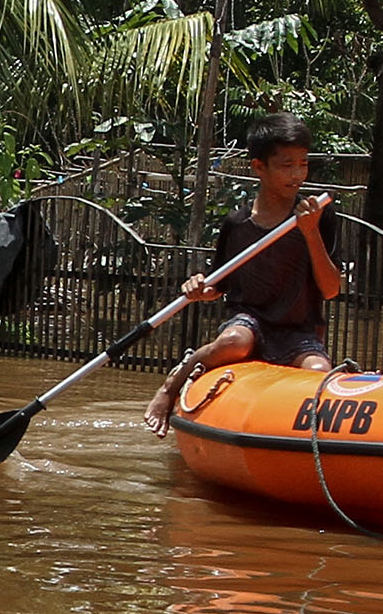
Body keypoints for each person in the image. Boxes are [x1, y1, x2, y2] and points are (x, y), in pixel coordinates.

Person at [147, 121, 346, 435]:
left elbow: (331, 289)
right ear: (259, 167)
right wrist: (199, 287)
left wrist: (310, 234)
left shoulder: (318, 217)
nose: (297, 174)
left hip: (298, 330)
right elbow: (219, 285)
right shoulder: (237, 224)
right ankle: (173, 384)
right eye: (287, 165)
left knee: (319, 371)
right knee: (236, 342)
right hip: (248, 321)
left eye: (303, 164)